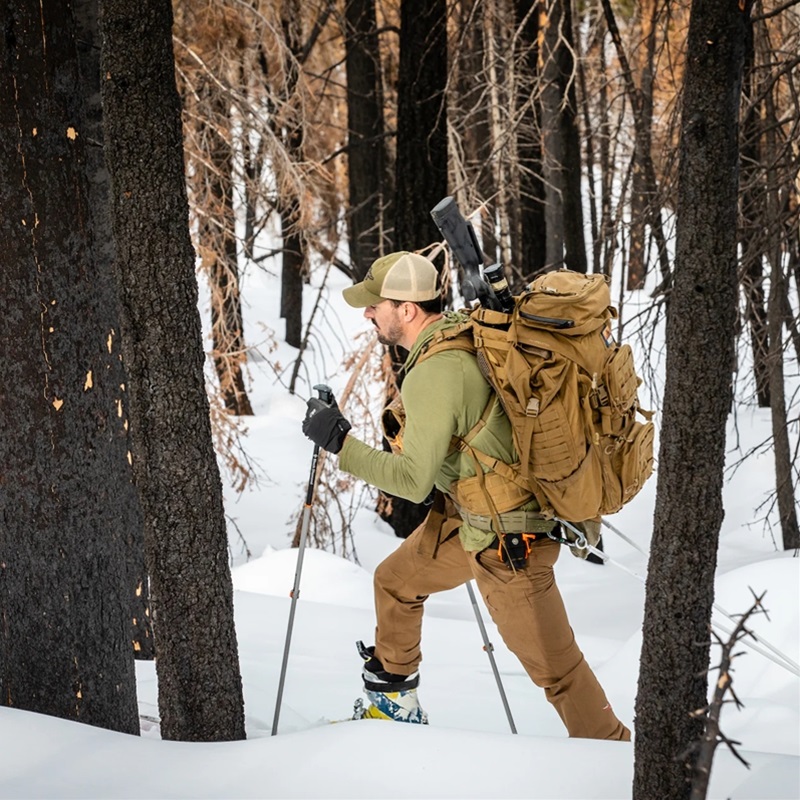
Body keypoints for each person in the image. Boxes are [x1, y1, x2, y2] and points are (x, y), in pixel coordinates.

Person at [302, 250, 630, 740]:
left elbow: (413, 481)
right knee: (395, 581)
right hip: (473, 525)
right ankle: (393, 704)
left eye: (375, 304)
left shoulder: (438, 370)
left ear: (407, 310)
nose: (367, 312)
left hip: (511, 544)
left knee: (559, 675)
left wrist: (340, 444)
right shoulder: (455, 332)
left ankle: (624, 762)